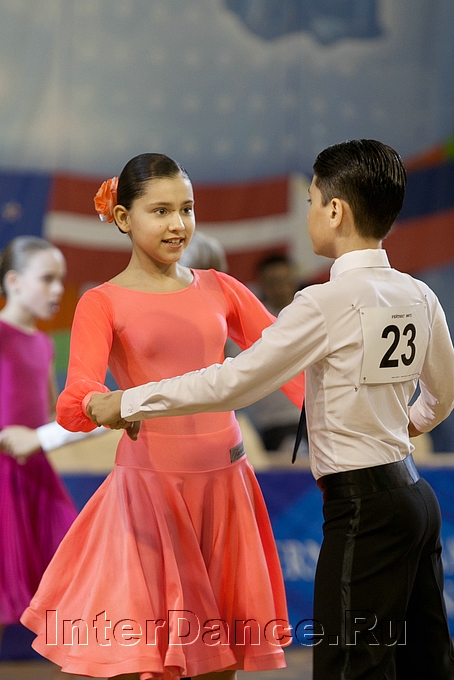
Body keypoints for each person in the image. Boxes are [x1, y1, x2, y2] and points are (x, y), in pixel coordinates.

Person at [86, 140, 454, 679]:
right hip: (416, 498)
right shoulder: (419, 294)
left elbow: (234, 383)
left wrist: (130, 399)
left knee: (352, 667)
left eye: (310, 201)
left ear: (335, 211)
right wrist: (396, 427)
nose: (308, 214)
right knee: (428, 662)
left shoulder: (322, 302)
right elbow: (442, 397)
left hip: (362, 507)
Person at [21, 153, 306, 680]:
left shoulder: (221, 287)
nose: (178, 224)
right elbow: (75, 396)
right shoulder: (101, 301)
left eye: (186, 209)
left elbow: (289, 360)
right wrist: (100, 403)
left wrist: (339, 413)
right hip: (150, 496)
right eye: (160, 211)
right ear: (123, 218)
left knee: (219, 661)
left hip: (225, 489)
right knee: (144, 661)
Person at [0, 236, 103, 670]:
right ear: (14, 281)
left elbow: (48, 416)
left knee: (69, 574)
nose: (59, 289)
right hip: (3, 477)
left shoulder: (43, 344)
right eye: (47, 279)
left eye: (61, 279)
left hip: (34, 474)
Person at [246, 254, 307, 454]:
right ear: (261, 285)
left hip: (315, 415)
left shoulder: (312, 315)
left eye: (285, 280)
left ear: (295, 280)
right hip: (274, 422)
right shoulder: (250, 324)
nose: (280, 288)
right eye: (273, 282)